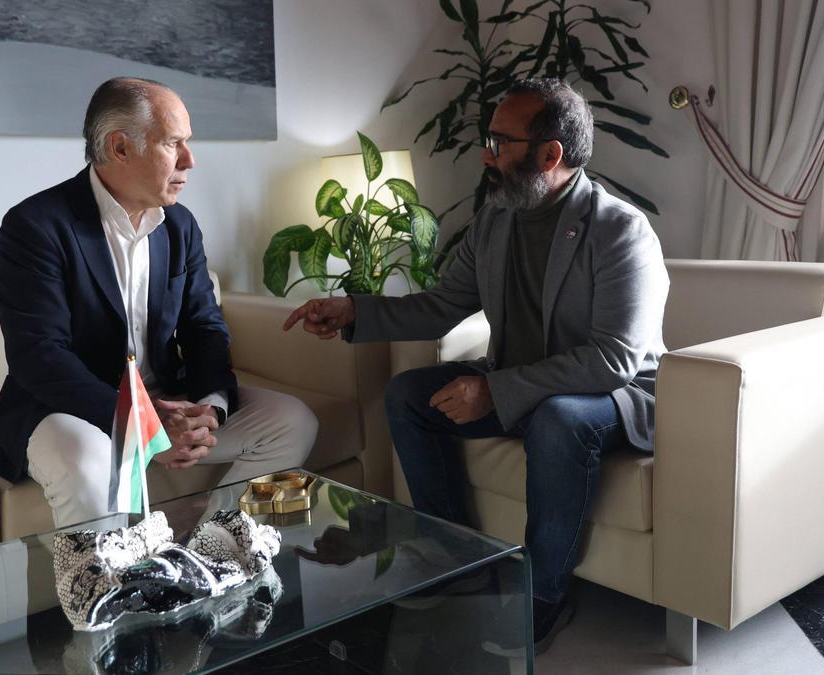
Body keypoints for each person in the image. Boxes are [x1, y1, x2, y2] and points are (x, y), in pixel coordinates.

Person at [284, 78, 668, 653]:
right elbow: (441, 305)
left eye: (499, 141)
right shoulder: (496, 220)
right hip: (525, 384)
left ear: (550, 154)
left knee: (558, 418)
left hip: (611, 396)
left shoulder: (620, 230)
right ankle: (459, 563)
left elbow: (612, 359)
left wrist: (496, 391)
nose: (486, 154)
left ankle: (544, 596)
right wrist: (352, 311)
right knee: (408, 396)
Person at [0, 77, 317, 528]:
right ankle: (108, 596)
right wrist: (142, 426)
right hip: (66, 409)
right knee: (89, 463)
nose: (190, 159)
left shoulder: (180, 226)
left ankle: (213, 553)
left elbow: (204, 326)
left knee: (292, 420)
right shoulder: (36, 225)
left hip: (165, 396)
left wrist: (209, 409)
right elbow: (39, 355)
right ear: (121, 148)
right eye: (174, 143)